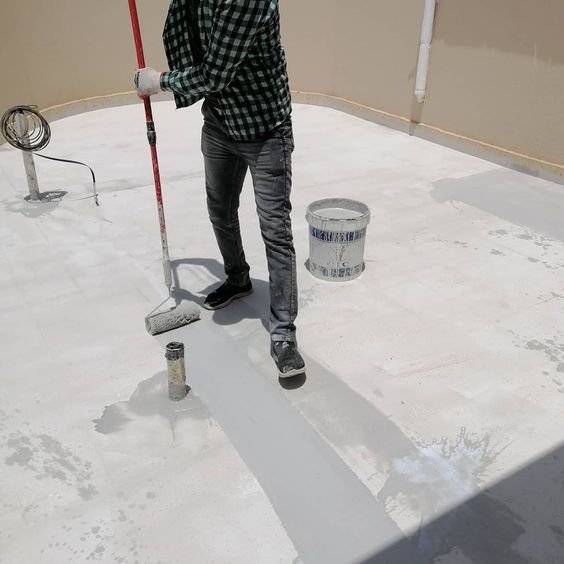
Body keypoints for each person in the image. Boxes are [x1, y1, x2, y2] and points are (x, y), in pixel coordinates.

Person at [134, 0, 305, 378]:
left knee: (275, 230)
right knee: (220, 209)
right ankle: (238, 278)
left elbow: (214, 74)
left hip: (264, 131)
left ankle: (283, 334)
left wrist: (159, 81)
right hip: (219, 122)